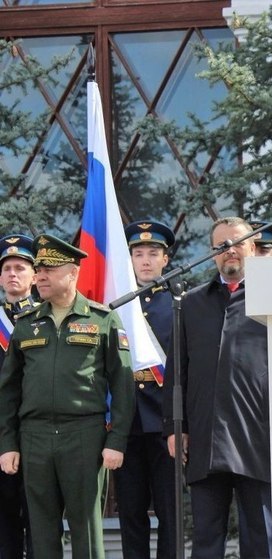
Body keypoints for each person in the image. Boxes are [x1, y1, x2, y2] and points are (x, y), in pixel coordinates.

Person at [0, 234, 135, 559]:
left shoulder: (102, 320)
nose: (41, 276)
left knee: (86, 531)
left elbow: (123, 384)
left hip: (84, 436)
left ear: (72, 273)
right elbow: (9, 390)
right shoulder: (26, 324)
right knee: (42, 531)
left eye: (49, 270)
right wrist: (8, 444)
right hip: (34, 437)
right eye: (40, 270)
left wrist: (116, 440)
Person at [163, 217, 271, 559]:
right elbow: (176, 371)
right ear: (212, 256)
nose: (230, 252)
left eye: (237, 243)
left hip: (258, 435)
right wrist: (174, 427)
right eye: (221, 247)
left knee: (260, 536)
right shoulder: (191, 303)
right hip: (205, 436)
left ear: (252, 247)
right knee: (206, 539)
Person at [114, 220, 176, 559]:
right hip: (127, 422)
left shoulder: (179, 303)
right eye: (139, 254)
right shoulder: (117, 304)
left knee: (170, 515)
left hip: (165, 424)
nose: (146, 260)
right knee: (131, 514)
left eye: (154, 253)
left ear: (165, 259)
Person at [0, 234, 37, 559]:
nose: (13, 274)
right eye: (7, 268)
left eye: (20, 267)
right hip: (0, 437)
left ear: (34, 275)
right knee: (4, 527)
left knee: (40, 522)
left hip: (39, 434)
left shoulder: (47, 318)